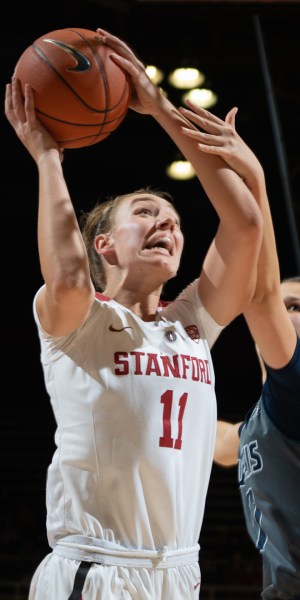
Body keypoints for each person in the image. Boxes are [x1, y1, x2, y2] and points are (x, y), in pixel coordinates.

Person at [5, 27, 263, 600]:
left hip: (179, 570)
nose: (167, 226)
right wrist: (48, 157)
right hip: (96, 568)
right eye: (146, 213)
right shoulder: (78, 322)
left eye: (173, 221)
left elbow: (245, 224)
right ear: (104, 244)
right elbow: (68, 274)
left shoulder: (193, 321)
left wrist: (160, 108)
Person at [187, 103, 300, 598]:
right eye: (296, 305)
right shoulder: (253, 428)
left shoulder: (295, 393)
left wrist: (254, 178)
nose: (294, 314)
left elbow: (262, 291)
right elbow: (217, 439)